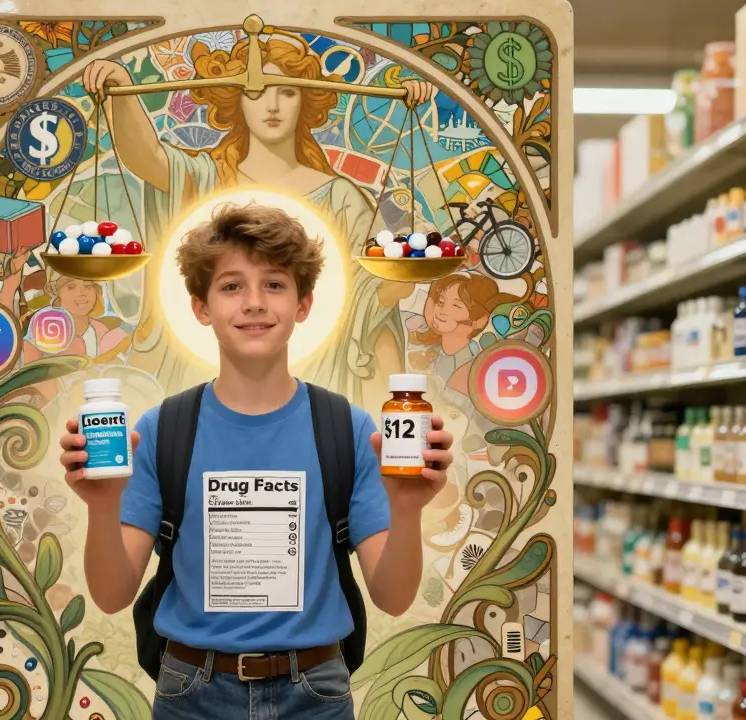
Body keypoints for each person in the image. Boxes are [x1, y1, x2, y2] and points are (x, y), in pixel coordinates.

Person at [57, 203, 454, 719]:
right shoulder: (161, 431)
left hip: (316, 694)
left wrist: (407, 510)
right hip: (190, 692)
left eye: (274, 284)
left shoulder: (348, 430)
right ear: (200, 307)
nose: (253, 303)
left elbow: (394, 598)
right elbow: (112, 596)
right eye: (230, 286)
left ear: (304, 303)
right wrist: (102, 505)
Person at [82, 37, 434, 408]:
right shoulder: (208, 177)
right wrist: (121, 88)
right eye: (257, 93)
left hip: (319, 369)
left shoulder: (340, 197)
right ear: (236, 101)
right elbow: (147, 157)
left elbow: (370, 300)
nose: (272, 105)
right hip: (209, 374)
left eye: (287, 92)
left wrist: (399, 279)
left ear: (305, 102)